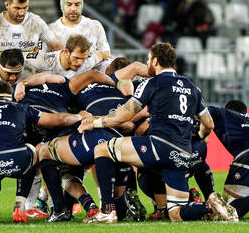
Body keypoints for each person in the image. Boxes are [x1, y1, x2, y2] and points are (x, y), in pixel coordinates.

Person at [78, 42, 238, 223]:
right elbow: (208, 123)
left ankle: (107, 212)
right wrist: (200, 136)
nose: (147, 63)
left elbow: (124, 115)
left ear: (155, 61)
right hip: (182, 153)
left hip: (157, 146)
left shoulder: (152, 83)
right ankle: (209, 206)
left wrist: (96, 123)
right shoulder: (192, 87)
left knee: (102, 150)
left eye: (148, 59)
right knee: (175, 213)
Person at [0, 79, 87, 223]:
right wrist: (80, 117)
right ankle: (19, 206)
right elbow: (57, 119)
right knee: (36, 151)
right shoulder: (21, 107)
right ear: (10, 95)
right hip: (18, 159)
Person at [37, 58, 149, 222]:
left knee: (45, 151)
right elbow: (131, 123)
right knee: (113, 166)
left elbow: (72, 106)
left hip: (94, 134)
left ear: (108, 71)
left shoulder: (81, 87)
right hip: (119, 141)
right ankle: (120, 204)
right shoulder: (129, 90)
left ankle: (61, 210)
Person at [208, 100, 249, 219]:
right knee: (230, 209)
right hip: (245, 159)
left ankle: (207, 207)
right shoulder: (243, 118)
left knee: (227, 209)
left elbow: (208, 110)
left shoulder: (227, 114)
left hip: (244, 160)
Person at [46, 0, 110, 54]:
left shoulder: (95, 26)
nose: (73, 9)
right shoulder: (50, 30)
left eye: (77, 4)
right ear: (62, 5)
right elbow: (39, 59)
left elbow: (106, 56)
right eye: (69, 4)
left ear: (82, 5)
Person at [26, 34, 109, 79]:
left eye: (83, 58)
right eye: (76, 58)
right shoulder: (45, 61)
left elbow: (102, 55)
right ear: (66, 52)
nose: (80, 62)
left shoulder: (88, 61)